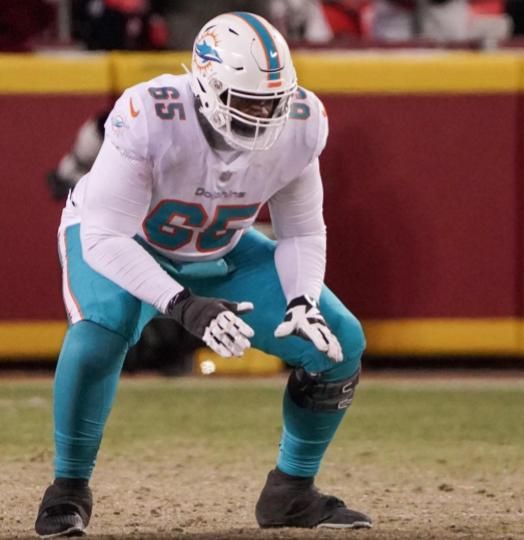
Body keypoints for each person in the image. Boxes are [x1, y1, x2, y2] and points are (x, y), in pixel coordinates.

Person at [35, 12, 371, 536]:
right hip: (122, 240)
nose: (265, 115)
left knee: (339, 343)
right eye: (250, 102)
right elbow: (104, 237)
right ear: (209, 86)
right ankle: (67, 492)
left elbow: (302, 231)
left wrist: (302, 301)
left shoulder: (303, 123)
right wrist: (183, 305)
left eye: (274, 102)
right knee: (102, 329)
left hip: (218, 244)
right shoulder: (152, 113)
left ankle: (291, 493)